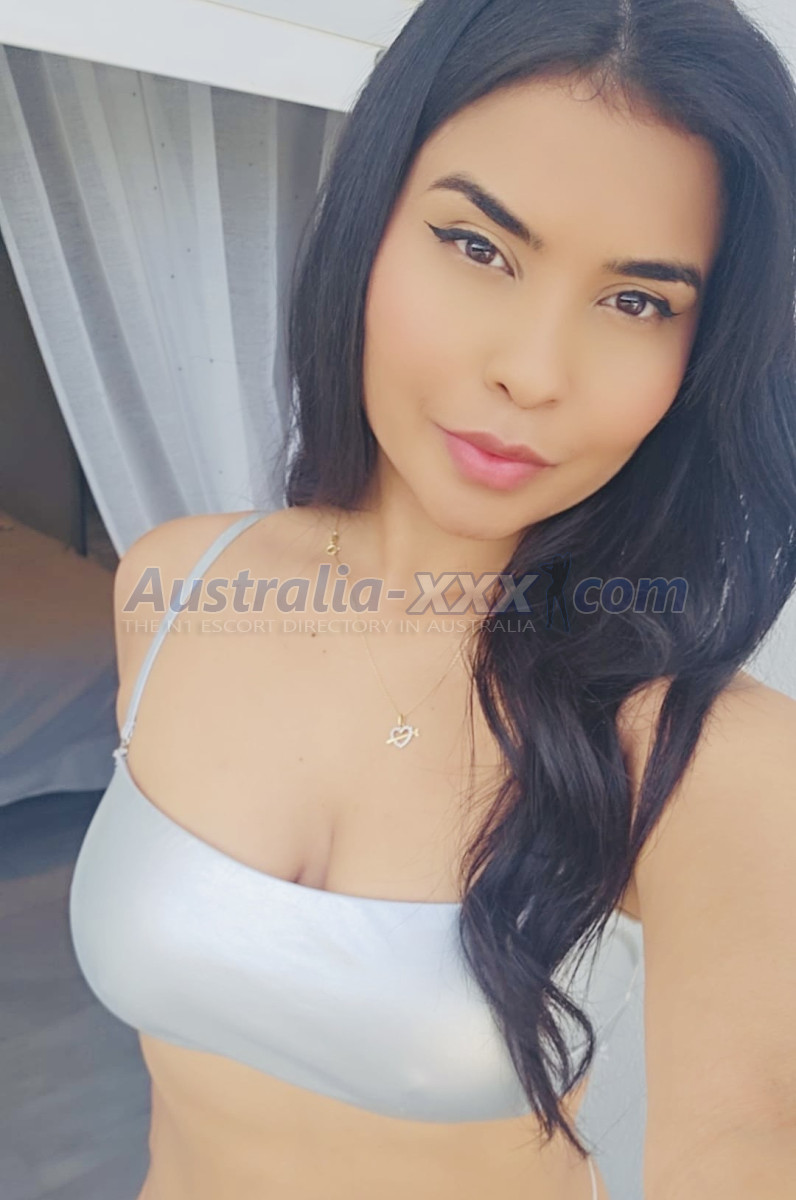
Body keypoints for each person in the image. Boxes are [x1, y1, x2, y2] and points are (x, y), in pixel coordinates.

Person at [69, 1, 796, 1197]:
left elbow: (747, 1136)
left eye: (635, 301)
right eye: (477, 246)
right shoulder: (177, 583)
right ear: (369, 220)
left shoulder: (697, 751)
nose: (532, 370)